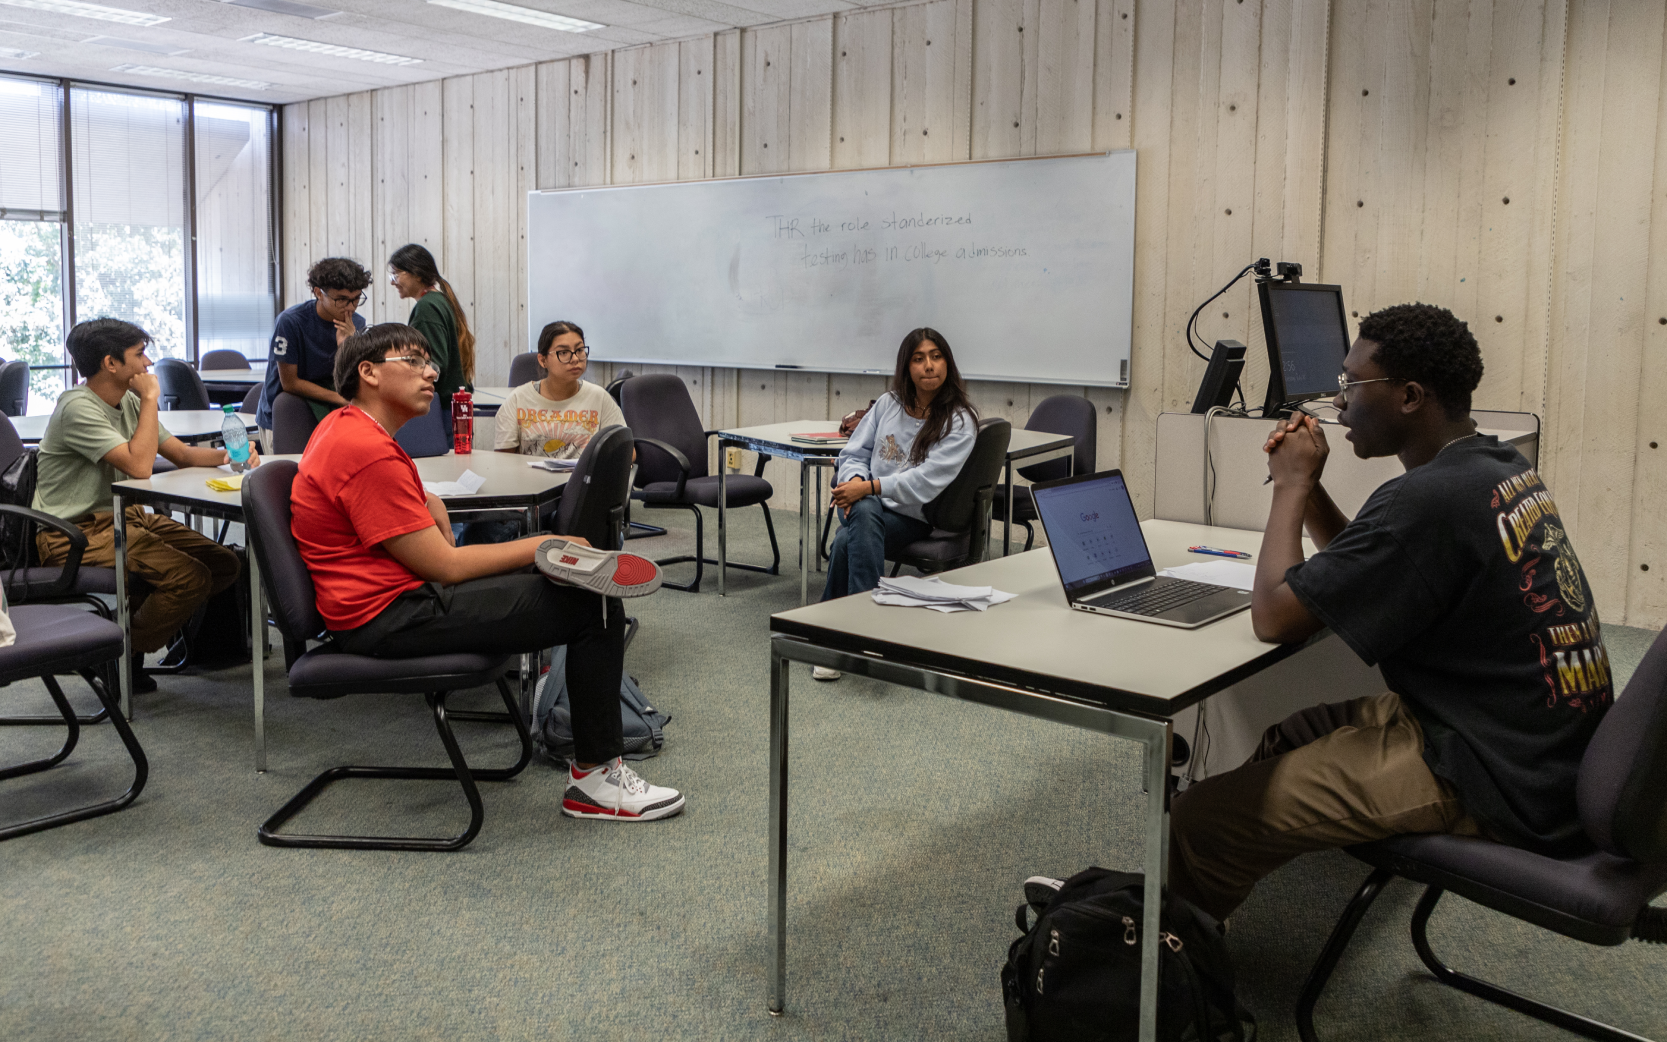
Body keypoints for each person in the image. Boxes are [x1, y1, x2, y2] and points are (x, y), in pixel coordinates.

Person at [1167, 303, 1613, 924]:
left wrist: (1292, 486)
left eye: (1351, 386)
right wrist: (1314, 487)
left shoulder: (1424, 499)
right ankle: (1207, 903)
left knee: (1197, 819)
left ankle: (1173, 968)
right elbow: (1376, 563)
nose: (1338, 403)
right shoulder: (1490, 466)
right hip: (1532, 741)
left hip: (1493, 775)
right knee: (1288, 736)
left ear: (1408, 396)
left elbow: (1272, 616)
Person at [289, 322, 683, 820]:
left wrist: (426, 500)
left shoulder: (350, 430)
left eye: (428, 362)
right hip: (389, 616)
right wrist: (542, 542)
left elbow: (418, 527)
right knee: (593, 601)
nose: (430, 372)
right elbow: (448, 565)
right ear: (367, 372)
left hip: (393, 599)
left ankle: (593, 767)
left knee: (572, 584)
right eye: (412, 362)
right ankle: (596, 782)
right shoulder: (365, 450)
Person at [34, 319, 257, 691]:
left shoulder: (130, 401)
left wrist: (230, 456)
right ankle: (115, 654)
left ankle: (124, 647)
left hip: (126, 518)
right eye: (139, 354)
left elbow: (182, 453)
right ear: (111, 363)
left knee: (224, 564)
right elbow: (139, 465)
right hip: (72, 533)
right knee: (190, 577)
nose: (148, 363)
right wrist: (152, 398)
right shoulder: (78, 407)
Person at [815, 328, 979, 680]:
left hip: (912, 517)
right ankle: (865, 633)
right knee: (864, 511)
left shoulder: (960, 419)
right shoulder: (888, 403)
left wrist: (868, 488)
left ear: (947, 362)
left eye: (936, 356)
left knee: (846, 539)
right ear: (906, 367)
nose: (929, 366)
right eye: (918, 359)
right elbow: (853, 453)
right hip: (869, 507)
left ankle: (831, 635)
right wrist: (857, 481)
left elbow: (925, 482)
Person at [455, 320, 627, 547]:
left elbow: (627, 453)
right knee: (476, 533)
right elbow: (504, 462)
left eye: (579, 350)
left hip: (578, 496)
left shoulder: (599, 398)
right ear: (543, 359)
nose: (575, 358)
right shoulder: (518, 399)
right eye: (564, 353)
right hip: (532, 496)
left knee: (589, 531)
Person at [255, 257, 371, 435]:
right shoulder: (291, 322)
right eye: (341, 300)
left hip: (331, 416)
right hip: (285, 415)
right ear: (319, 293)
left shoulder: (356, 323)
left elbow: (351, 378)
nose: (351, 307)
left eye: (356, 299)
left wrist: (346, 347)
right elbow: (290, 383)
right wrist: (339, 398)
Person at [389, 243, 474, 407]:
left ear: (417, 275)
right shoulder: (438, 300)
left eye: (396, 274)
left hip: (438, 409)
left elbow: (433, 365)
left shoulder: (427, 308)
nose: (393, 282)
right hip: (448, 406)